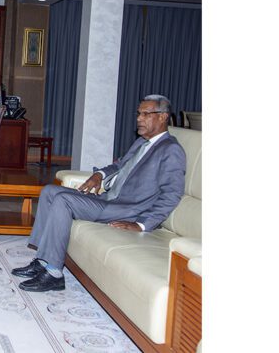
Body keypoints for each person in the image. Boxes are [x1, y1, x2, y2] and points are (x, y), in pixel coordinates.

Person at [12, 94, 186, 292]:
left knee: (63, 200)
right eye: (139, 113)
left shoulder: (171, 150)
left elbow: (172, 194)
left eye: (146, 114)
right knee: (49, 191)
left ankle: (54, 274)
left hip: (126, 209)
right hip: (108, 199)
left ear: (163, 117)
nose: (139, 118)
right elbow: (119, 165)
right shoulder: (141, 142)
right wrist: (99, 175)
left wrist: (142, 224)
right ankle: (42, 260)